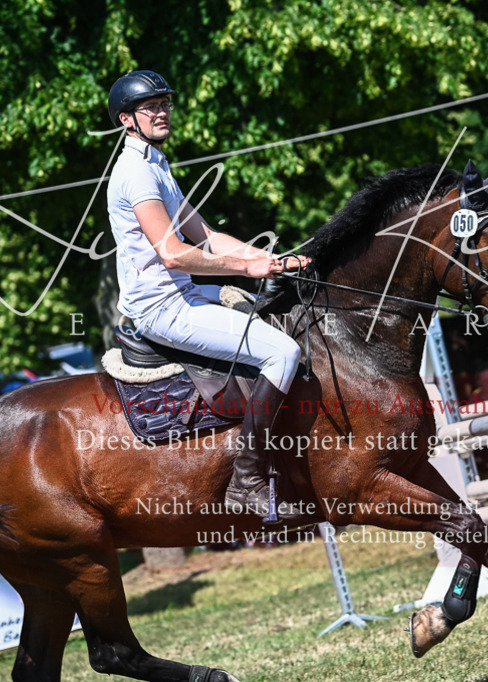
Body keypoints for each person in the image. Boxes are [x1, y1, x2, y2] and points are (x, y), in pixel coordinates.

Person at [105, 70, 309, 520]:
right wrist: (247, 269)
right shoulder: (135, 173)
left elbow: (208, 237)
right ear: (126, 119)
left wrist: (274, 260)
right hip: (165, 309)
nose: (161, 112)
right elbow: (175, 254)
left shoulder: (156, 164)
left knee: (281, 313)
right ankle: (248, 480)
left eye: (164, 104)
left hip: (188, 293)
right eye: (150, 107)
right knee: (283, 352)